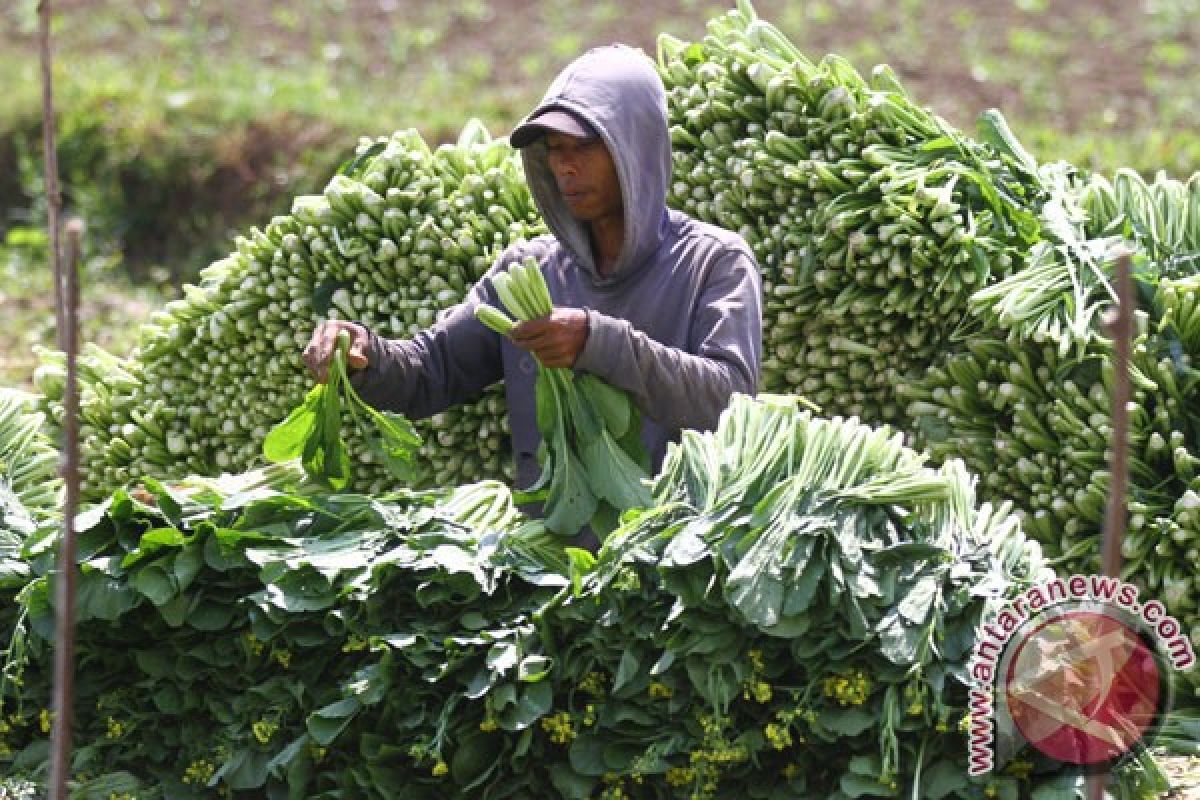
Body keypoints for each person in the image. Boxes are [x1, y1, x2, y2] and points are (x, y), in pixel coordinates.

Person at [304, 44, 762, 540]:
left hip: (673, 562)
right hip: (550, 568)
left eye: (584, 148)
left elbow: (729, 400)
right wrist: (367, 356)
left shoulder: (712, 262)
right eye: (555, 152)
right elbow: (431, 371)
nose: (565, 168)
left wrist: (597, 341)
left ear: (634, 149)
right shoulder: (529, 272)